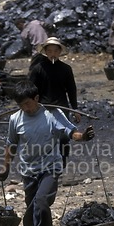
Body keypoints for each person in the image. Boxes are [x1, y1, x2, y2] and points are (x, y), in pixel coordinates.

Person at [0, 80, 94, 226]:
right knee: (31, 208)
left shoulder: (52, 114)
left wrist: (83, 136)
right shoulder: (15, 119)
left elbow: (71, 132)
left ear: (37, 98)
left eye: (28, 103)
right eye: (21, 105)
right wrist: (5, 168)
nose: (25, 108)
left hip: (50, 167)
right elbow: (11, 145)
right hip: (28, 170)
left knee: (41, 202)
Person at [28, 37, 79, 165]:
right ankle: (45, 164)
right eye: (50, 51)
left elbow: (71, 90)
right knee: (44, 138)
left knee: (63, 137)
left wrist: (75, 109)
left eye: (56, 51)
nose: (53, 54)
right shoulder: (38, 69)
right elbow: (31, 90)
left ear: (60, 52)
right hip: (43, 109)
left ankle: (62, 163)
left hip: (62, 108)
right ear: (45, 52)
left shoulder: (66, 69)